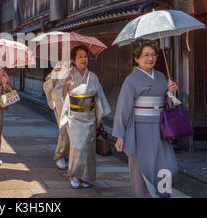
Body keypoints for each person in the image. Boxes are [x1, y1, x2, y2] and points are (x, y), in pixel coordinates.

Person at [112, 39, 179, 198]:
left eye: (154, 54)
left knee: (167, 166)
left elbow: (171, 105)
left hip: (161, 128)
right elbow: (123, 108)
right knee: (142, 167)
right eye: (146, 55)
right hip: (140, 129)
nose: (151, 58)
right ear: (137, 58)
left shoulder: (163, 77)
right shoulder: (131, 80)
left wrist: (171, 93)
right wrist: (120, 135)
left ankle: (162, 196)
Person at [59, 46, 111, 189]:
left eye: (85, 56)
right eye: (80, 56)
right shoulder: (68, 76)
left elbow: (99, 97)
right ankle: (75, 175)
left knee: (88, 149)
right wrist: (66, 87)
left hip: (89, 117)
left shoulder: (93, 77)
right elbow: (64, 99)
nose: (83, 59)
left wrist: (100, 116)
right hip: (74, 117)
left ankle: (86, 177)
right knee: (77, 147)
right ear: (74, 60)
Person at [43, 61, 71, 170]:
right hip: (61, 100)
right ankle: (61, 155)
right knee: (64, 128)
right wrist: (55, 73)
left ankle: (72, 156)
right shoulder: (60, 66)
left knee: (75, 130)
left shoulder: (79, 66)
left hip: (76, 100)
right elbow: (47, 84)